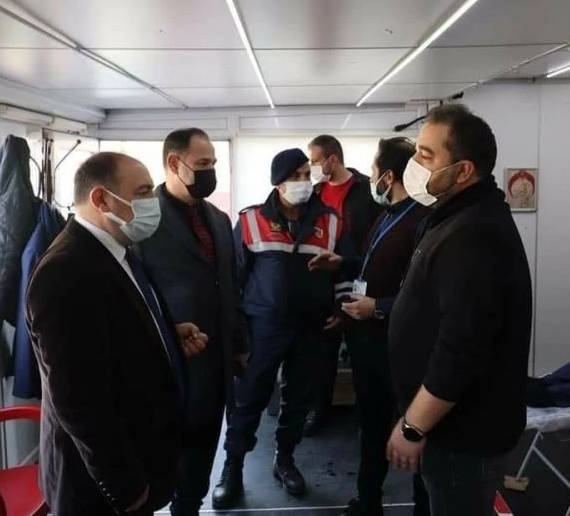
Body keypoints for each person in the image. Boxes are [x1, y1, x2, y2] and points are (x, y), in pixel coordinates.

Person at [26, 152, 207, 516]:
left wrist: (164, 337)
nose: (154, 202)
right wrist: (125, 486)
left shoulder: (115, 248)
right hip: (101, 486)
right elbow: (78, 399)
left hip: (142, 456)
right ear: (101, 199)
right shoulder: (66, 271)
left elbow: (108, 335)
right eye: (142, 192)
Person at [386, 104, 533, 516]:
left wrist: (413, 426)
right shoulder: (451, 217)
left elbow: (462, 349)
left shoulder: (475, 234)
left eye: (426, 156)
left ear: (463, 170)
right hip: (448, 428)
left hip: (464, 435)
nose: (414, 165)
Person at [213, 148, 352, 508]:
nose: (304, 182)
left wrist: (340, 306)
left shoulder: (330, 220)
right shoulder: (251, 220)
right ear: (278, 183)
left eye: (307, 174)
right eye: (296, 176)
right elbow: (233, 280)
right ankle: (232, 468)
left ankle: (285, 459)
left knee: (298, 400)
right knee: (249, 400)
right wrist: (238, 335)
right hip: (263, 327)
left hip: (312, 328)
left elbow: (345, 269)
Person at [309, 137, 431, 516]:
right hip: (368, 344)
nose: (370, 178)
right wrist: (342, 263)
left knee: (415, 433)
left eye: (375, 171)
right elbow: (370, 262)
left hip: (399, 348)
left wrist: (377, 307)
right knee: (371, 426)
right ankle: (367, 500)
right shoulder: (387, 214)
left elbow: (426, 297)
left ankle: (423, 507)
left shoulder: (421, 221)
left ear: (388, 177)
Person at [136, 128, 248, 515]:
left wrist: (239, 344)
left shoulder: (218, 218)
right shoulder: (142, 219)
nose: (210, 171)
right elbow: (135, 293)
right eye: (202, 163)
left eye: (213, 163)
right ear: (174, 163)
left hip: (214, 365)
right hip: (166, 365)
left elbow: (230, 285)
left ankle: (189, 507)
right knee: (161, 463)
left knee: (199, 461)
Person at [305, 134, 382, 436]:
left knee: (363, 354)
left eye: (314, 161)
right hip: (324, 281)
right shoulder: (314, 192)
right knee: (323, 352)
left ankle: (368, 416)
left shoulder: (366, 189)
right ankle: (318, 410)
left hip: (360, 278)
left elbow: (376, 238)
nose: (311, 167)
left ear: (332, 159)